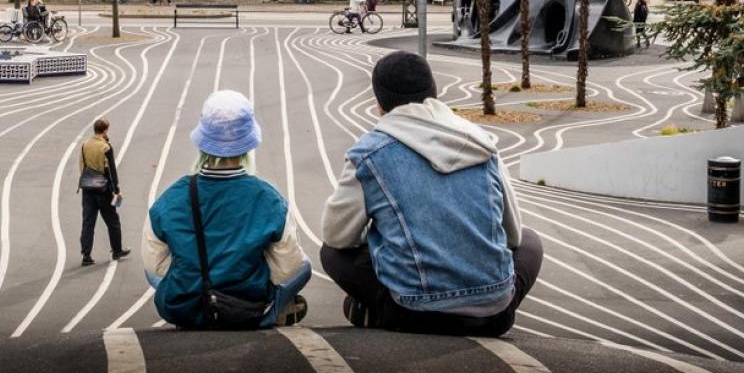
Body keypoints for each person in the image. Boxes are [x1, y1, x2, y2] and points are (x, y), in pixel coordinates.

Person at [321, 51, 544, 336]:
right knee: (531, 242)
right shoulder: (481, 143)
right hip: (493, 315)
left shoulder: (369, 155)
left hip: (415, 313)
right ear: (434, 93)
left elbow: (336, 235)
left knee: (332, 254)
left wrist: (382, 238)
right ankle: (486, 300)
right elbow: (512, 236)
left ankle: (379, 310)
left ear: (379, 104)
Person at [143, 90, 311, 328]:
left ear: (202, 140)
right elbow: (289, 268)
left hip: (186, 305)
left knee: (152, 272)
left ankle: (198, 309)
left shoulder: (170, 199)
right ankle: (270, 313)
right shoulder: (269, 199)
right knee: (305, 268)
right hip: (246, 304)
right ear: (248, 144)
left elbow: (154, 266)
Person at [77, 118, 129, 266]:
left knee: (88, 222)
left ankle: (86, 255)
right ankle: (117, 250)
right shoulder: (106, 147)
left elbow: (82, 165)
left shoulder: (85, 144)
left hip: (87, 189)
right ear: (105, 130)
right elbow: (111, 171)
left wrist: (87, 181)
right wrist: (116, 190)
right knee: (112, 221)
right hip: (103, 190)